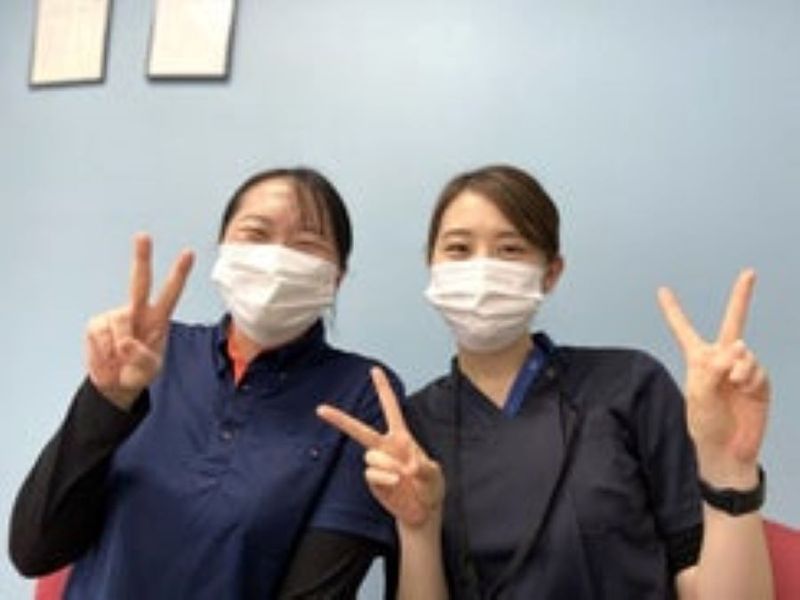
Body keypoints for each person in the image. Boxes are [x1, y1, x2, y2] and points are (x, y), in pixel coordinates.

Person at [318, 164, 774, 599]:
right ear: (431, 266)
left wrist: (729, 469)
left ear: (551, 272)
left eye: (510, 249)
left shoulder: (629, 385)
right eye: (458, 249)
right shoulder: (414, 429)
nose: (482, 269)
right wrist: (418, 530)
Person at [10, 167, 403, 599]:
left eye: (307, 244)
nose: (276, 259)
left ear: (337, 277)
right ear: (224, 251)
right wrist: (107, 399)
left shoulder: (362, 393)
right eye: (256, 234)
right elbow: (34, 551)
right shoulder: (151, 353)